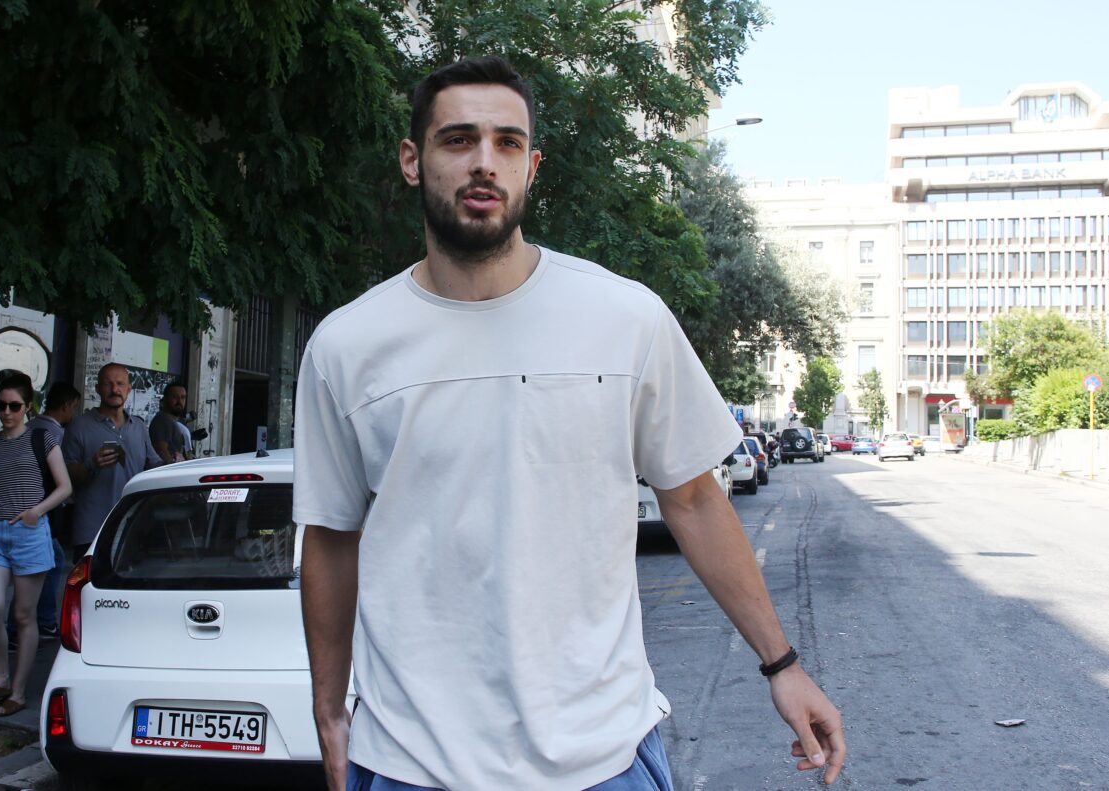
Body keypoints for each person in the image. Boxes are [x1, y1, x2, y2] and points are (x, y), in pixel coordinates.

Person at [293, 57, 846, 791]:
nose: (484, 161)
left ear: (532, 166)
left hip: (601, 758)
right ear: (412, 159)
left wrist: (783, 665)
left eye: (508, 142)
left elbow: (694, 500)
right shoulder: (346, 345)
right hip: (409, 762)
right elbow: (331, 537)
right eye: (458, 139)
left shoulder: (625, 318)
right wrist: (328, 708)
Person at [0, 372, 72, 717]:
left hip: (29, 532)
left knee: (24, 615)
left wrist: (36, 512)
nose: (7, 412)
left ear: (28, 407)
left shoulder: (41, 438)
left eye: (14, 406)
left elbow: (64, 486)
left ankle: (19, 691)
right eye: (1, 405)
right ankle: (0, 677)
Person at [5, 382, 81, 647]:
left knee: (39, 563)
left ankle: (26, 625)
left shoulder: (31, 427)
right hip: (40, 508)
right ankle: (32, 624)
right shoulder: (54, 434)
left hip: (27, 507)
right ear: (66, 405)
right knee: (46, 562)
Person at [63, 363, 161, 559]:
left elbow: (154, 466)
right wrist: (92, 464)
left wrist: (178, 464)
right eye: (108, 384)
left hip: (132, 527)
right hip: (92, 530)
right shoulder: (79, 426)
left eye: (120, 384)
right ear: (98, 388)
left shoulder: (139, 427)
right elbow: (66, 476)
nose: (114, 389)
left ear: (129, 389)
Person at [148, 382, 188, 464]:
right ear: (165, 399)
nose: (179, 401)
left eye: (183, 397)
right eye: (174, 397)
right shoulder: (163, 420)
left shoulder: (171, 421)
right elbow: (162, 452)